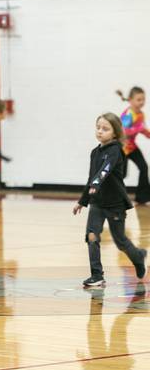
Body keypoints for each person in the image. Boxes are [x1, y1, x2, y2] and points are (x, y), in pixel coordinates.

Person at [73, 112, 146, 287]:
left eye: (105, 129)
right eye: (98, 127)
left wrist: (96, 184)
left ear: (114, 133)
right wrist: (82, 201)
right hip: (97, 203)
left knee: (120, 241)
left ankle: (138, 256)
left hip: (115, 204)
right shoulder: (94, 153)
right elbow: (91, 177)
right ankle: (97, 274)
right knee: (92, 236)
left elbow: (104, 170)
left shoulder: (115, 151)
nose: (100, 131)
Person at [117, 87, 150, 204]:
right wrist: (139, 128)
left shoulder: (141, 115)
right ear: (130, 100)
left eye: (143, 99)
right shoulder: (128, 114)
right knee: (122, 174)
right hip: (121, 148)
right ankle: (111, 195)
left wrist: (147, 133)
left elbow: (143, 130)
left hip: (131, 147)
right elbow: (124, 131)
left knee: (144, 167)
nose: (141, 102)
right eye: (139, 99)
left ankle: (142, 198)